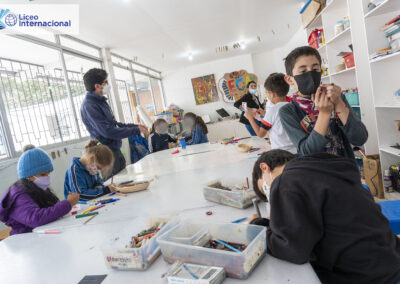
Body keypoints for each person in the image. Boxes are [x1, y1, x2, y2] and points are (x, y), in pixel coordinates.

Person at [249, 149, 400, 283]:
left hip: (364, 276)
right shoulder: (324, 169)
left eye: (265, 189)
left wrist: (257, 226)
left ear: (264, 168)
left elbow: (293, 250)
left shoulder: (287, 181)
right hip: (390, 259)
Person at [279, 46, 368, 158]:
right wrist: (325, 114)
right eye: (303, 71)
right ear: (289, 79)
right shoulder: (288, 111)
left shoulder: (335, 97)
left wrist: (339, 102)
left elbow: (360, 138)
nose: (310, 75)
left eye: (315, 70)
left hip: (346, 171)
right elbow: (307, 152)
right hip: (317, 174)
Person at [80, 68, 148, 177]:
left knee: (125, 180)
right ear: (97, 86)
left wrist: (135, 126)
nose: (108, 85)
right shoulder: (90, 105)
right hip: (104, 154)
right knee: (114, 186)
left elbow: (114, 124)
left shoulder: (100, 101)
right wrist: (135, 130)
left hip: (114, 150)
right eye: (105, 82)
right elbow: (107, 131)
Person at [0, 145, 79, 235]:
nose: (47, 178)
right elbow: (35, 218)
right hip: (24, 241)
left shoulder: (37, 188)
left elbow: (49, 211)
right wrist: (67, 204)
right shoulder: (18, 195)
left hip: (39, 235)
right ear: (28, 176)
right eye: (42, 174)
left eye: (48, 174)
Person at [244, 73, 296, 153]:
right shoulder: (293, 106)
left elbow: (260, 134)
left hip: (280, 152)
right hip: (295, 149)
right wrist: (265, 114)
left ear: (272, 94)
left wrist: (250, 118)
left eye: (267, 93)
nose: (267, 96)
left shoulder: (273, 110)